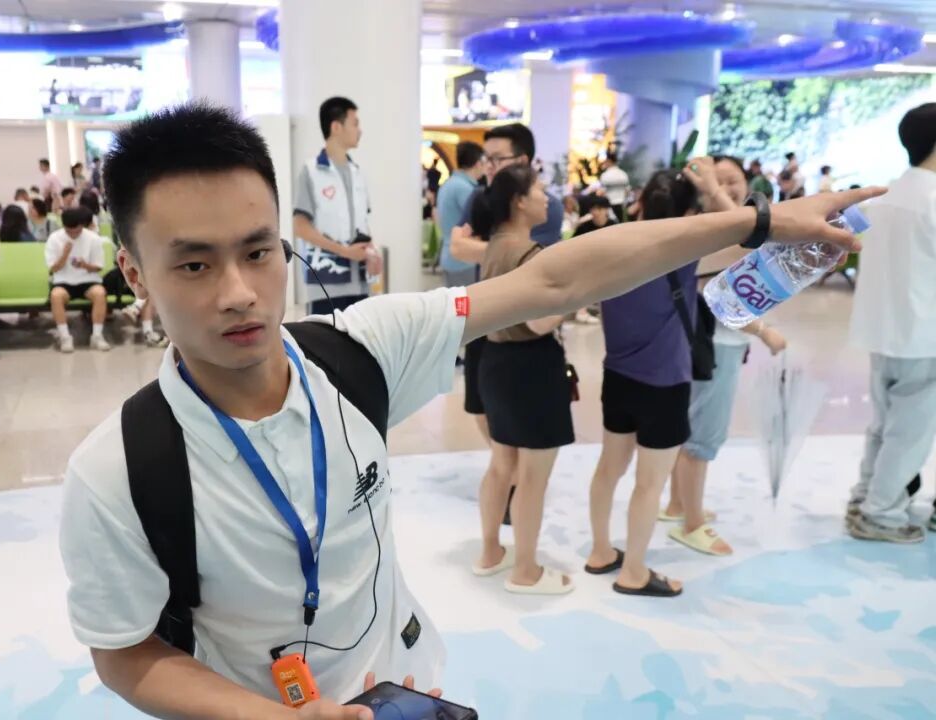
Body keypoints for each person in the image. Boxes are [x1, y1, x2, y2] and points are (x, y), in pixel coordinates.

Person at [57, 101, 876, 719]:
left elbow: (555, 278)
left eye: (258, 251)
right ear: (134, 273)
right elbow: (125, 652)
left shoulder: (358, 352)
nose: (240, 292)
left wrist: (761, 221)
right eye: (194, 266)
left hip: (407, 687)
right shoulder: (119, 469)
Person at [585, 170, 704, 598]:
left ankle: (600, 551)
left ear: (640, 203)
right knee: (649, 484)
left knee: (608, 469)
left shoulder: (613, 247)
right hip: (665, 384)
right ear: (688, 213)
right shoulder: (685, 255)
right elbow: (749, 237)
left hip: (618, 377)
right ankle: (633, 571)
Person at [662, 156, 788, 555]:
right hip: (717, 346)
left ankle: (679, 504)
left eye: (733, 180)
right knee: (703, 437)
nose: (728, 189)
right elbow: (721, 297)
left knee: (692, 429)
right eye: (719, 182)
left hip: (711, 346)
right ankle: (691, 524)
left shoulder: (714, 229)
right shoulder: (717, 233)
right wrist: (765, 332)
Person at [471, 164, 573, 595]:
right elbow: (538, 323)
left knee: (502, 464)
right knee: (533, 474)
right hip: (531, 368)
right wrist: (574, 297)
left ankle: (490, 551)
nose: (546, 198)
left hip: (495, 362)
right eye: (539, 190)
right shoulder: (530, 254)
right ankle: (526, 570)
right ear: (518, 201)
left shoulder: (495, 246)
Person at [848, 102, 936, 543]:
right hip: (924, 333)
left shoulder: (885, 196)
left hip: (883, 327)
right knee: (909, 432)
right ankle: (881, 513)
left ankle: (866, 496)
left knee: (884, 425)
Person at [293, 96, 381, 315]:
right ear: (336, 127)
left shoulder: (357, 172)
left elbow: (363, 225)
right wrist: (345, 252)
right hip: (326, 284)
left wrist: (373, 254)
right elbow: (300, 227)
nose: (360, 130)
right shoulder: (311, 172)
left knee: (359, 336)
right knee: (324, 337)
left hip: (360, 282)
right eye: (355, 123)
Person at [45, 206, 110, 353]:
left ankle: (97, 335)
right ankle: (65, 337)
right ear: (64, 227)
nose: (74, 235)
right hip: (63, 281)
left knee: (100, 293)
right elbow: (53, 269)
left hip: (88, 280)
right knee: (56, 296)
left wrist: (85, 265)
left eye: (77, 231)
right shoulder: (54, 239)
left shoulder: (93, 238)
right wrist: (64, 254)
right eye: (70, 232)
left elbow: (98, 267)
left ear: (82, 226)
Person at [437, 141, 485, 288]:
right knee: (465, 301)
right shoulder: (465, 189)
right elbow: (478, 221)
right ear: (478, 163)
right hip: (463, 260)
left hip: (450, 254)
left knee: (455, 300)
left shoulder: (449, 184)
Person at [599, 153, 630, 222]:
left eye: (605, 161)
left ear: (609, 161)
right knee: (624, 223)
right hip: (622, 204)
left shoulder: (604, 175)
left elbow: (602, 192)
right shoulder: (623, 174)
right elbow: (627, 191)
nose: (604, 163)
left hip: (610, 206)